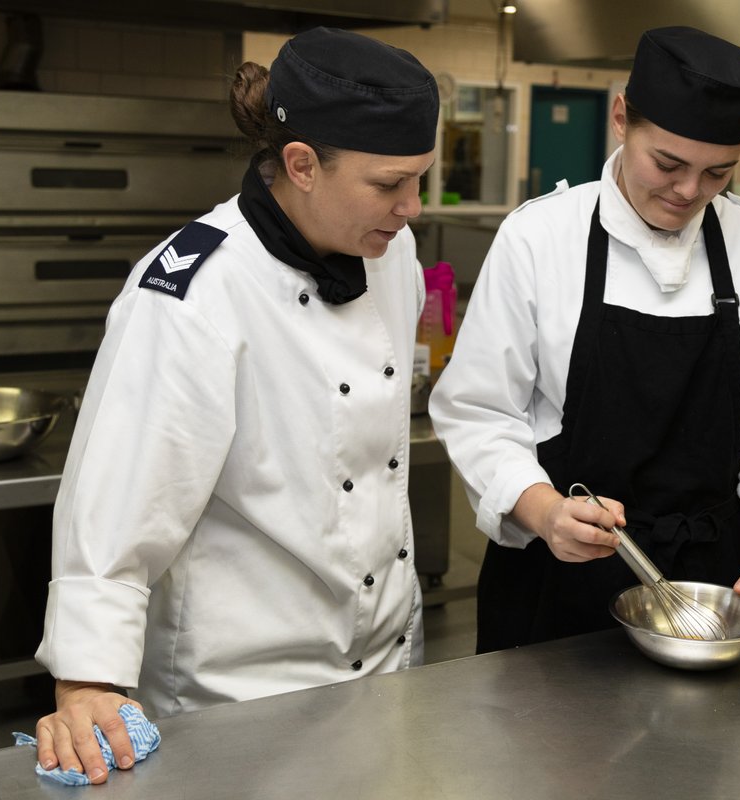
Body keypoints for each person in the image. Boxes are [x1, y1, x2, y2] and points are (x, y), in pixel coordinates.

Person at [32, 27, 438, 783]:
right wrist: (87, 680)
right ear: (302, 164)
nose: (411, 207)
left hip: (385, 668)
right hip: (240, 698)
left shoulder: (393, 251)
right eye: (389, 185)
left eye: (421, 179)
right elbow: (118, 503)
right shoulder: (194, 293)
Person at [429, 26, 740, 653]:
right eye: (668, 164)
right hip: (554, 573)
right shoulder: (539, 238)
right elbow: (479, 413)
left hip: (710, 585)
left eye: (717, 174)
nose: (687, 192)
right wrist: (544, 512)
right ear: (621, 117)